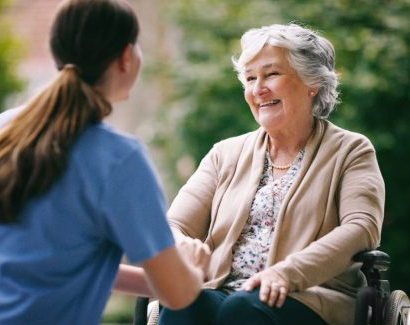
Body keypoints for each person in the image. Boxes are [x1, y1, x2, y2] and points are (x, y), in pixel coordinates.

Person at [0, 1, 210, 324]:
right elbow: (179, 295)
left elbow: (49, 262)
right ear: (126, 57)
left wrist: (156, 281)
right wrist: (193, 270)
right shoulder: (120, 160)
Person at [159, 23, 385, 325]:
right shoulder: (224, 153)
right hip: (223, 290)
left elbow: (362, 228)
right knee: (183, 303)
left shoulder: (351, 150)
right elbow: (174, 224)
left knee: (243, 309)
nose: (257, 89)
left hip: (309, 296)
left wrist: (287, 273)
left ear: (311, 82)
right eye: (250, 78)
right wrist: (181, 244)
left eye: (271, 74)